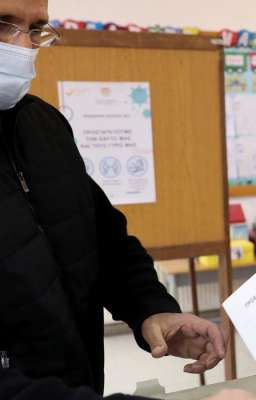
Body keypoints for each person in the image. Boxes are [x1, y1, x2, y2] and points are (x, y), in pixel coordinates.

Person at [0, 1, 237, 399]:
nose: (22, 45)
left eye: (36, 29)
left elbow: (103, 240)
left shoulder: (45, 126)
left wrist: (150, 307)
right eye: (4, 24)